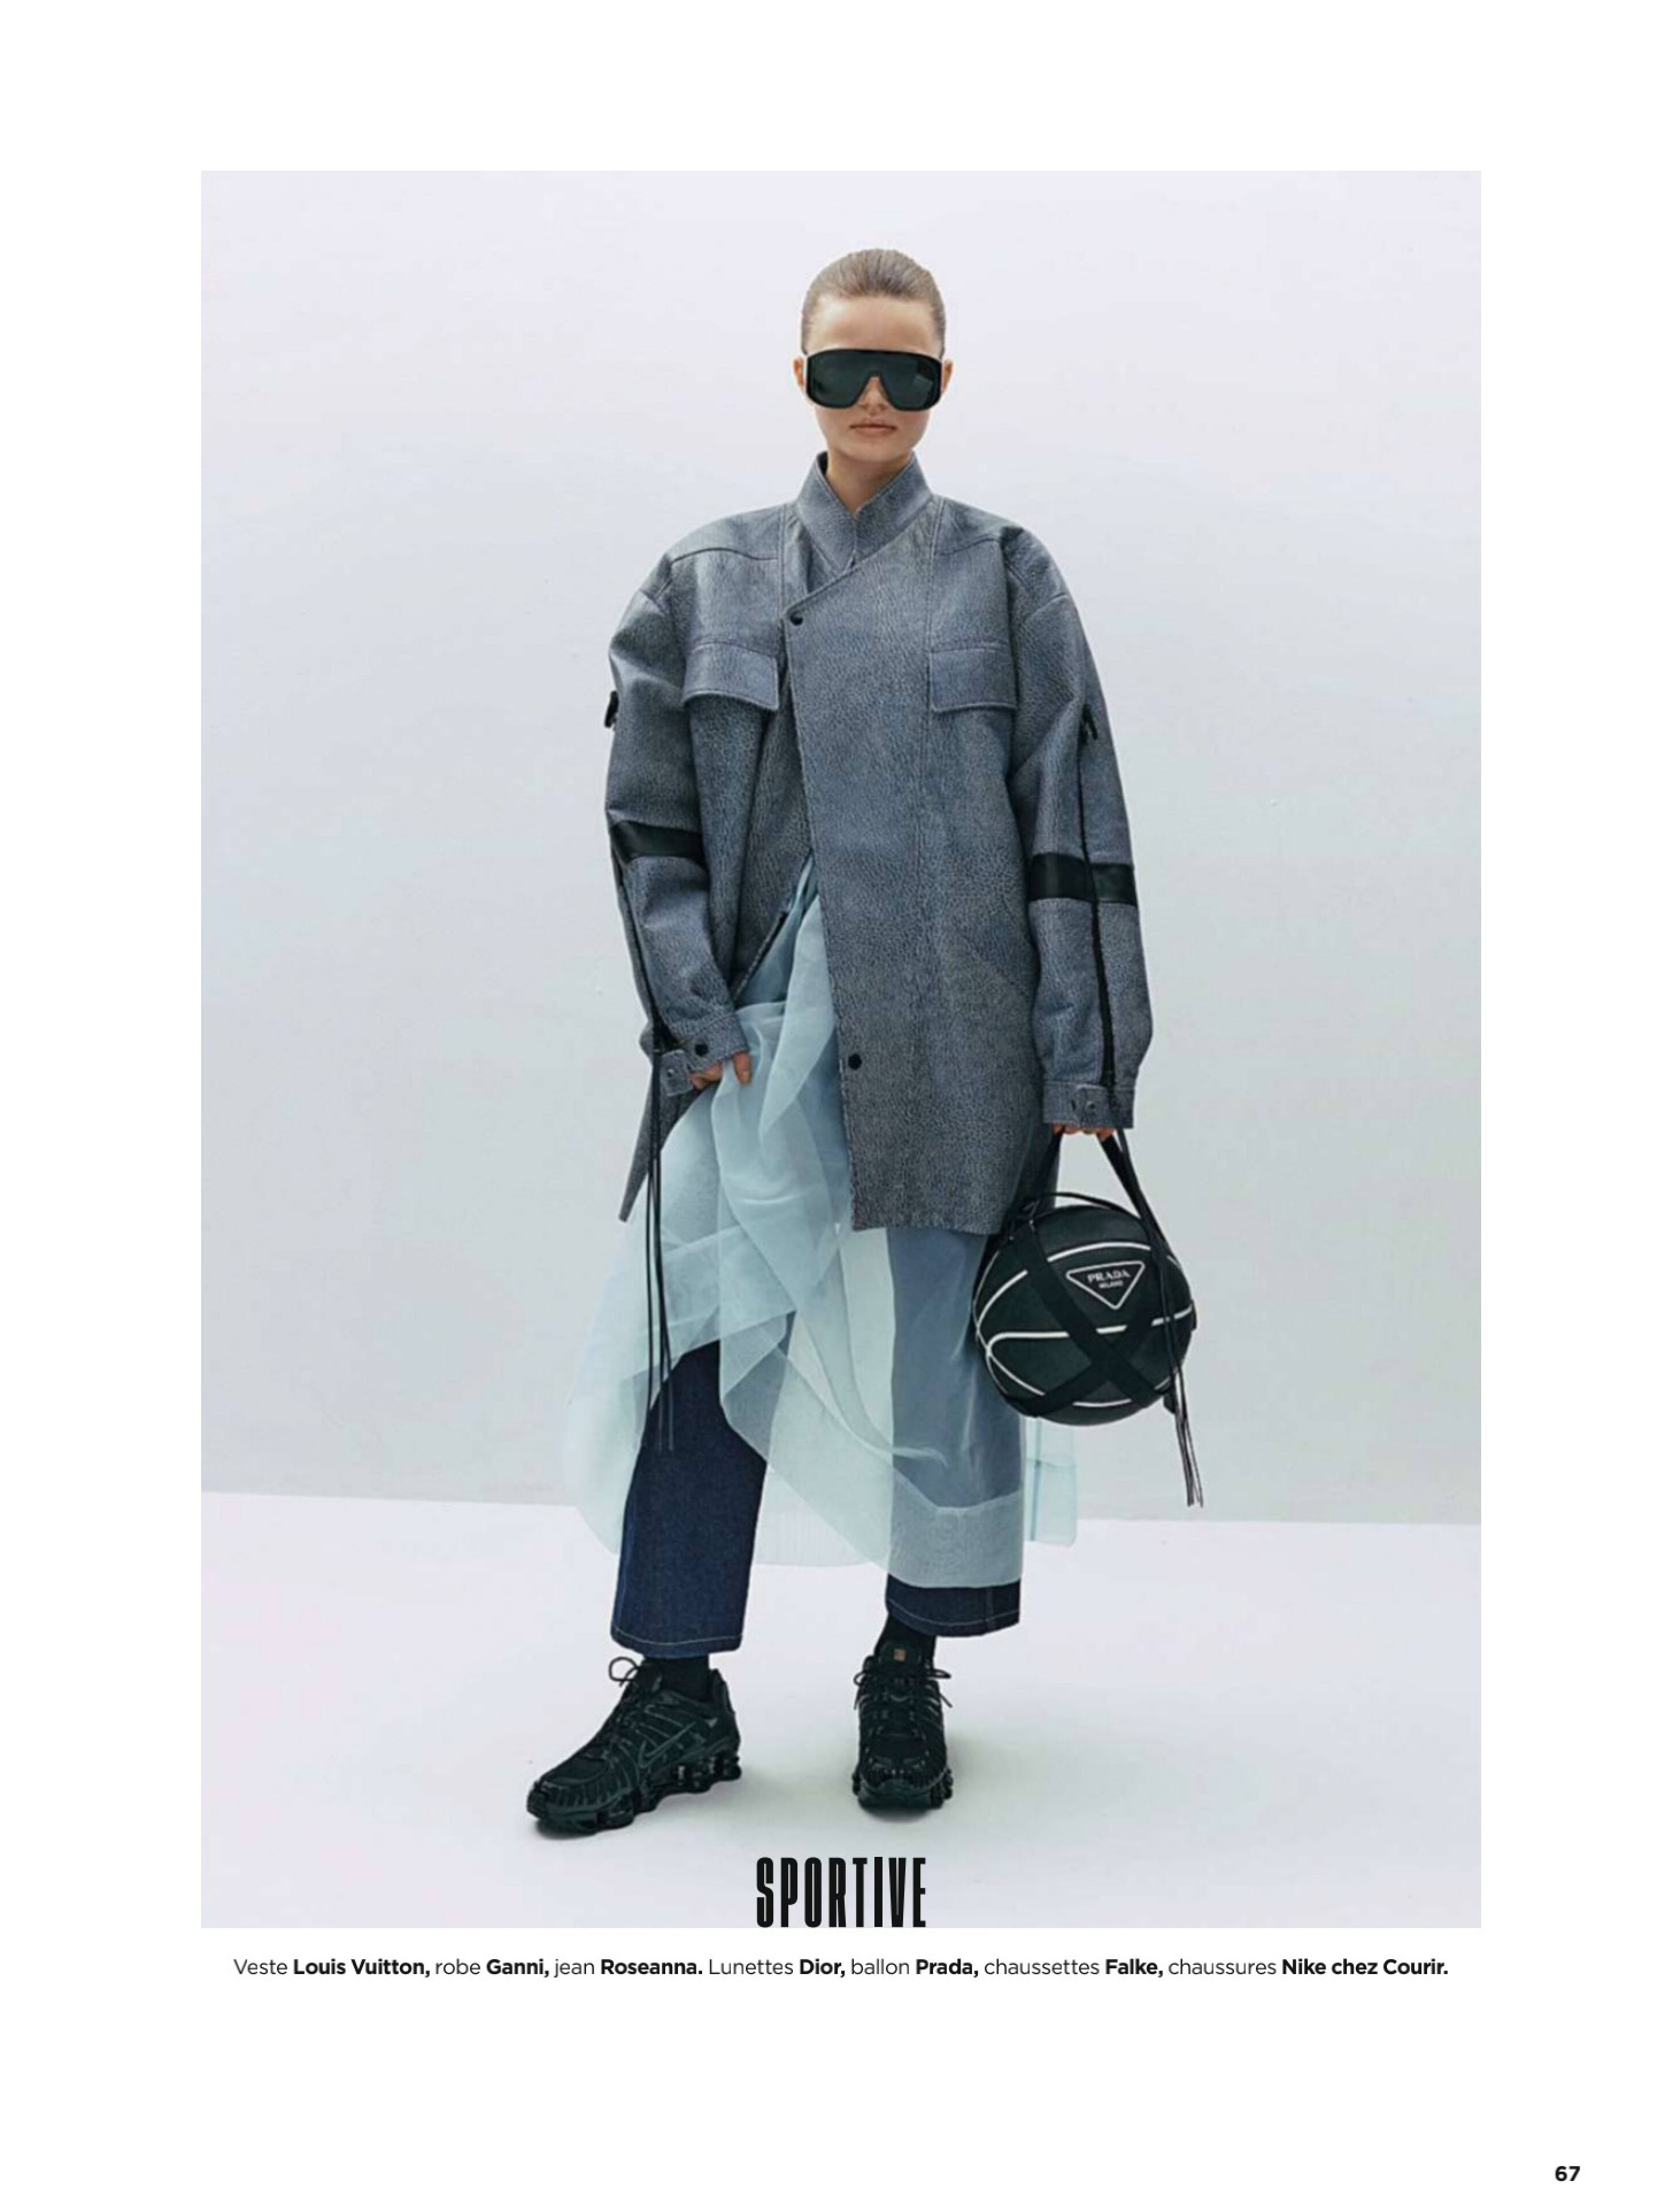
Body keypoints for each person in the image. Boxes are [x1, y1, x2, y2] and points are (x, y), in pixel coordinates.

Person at [528, 247, 1155, 1836]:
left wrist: (1085, 1054)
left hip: (959, 1025)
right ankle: (675, 1688)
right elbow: (648, 819)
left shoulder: (1005, 572)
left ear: (944, 382)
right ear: (799, 377)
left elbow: (1073, 812)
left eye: (908, 371)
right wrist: (691, 1014)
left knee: (951, 1350)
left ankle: (907, 1663)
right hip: (754, 1033)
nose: (875, 398)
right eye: (843, 369)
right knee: (702, 1339)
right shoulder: (705, 578)